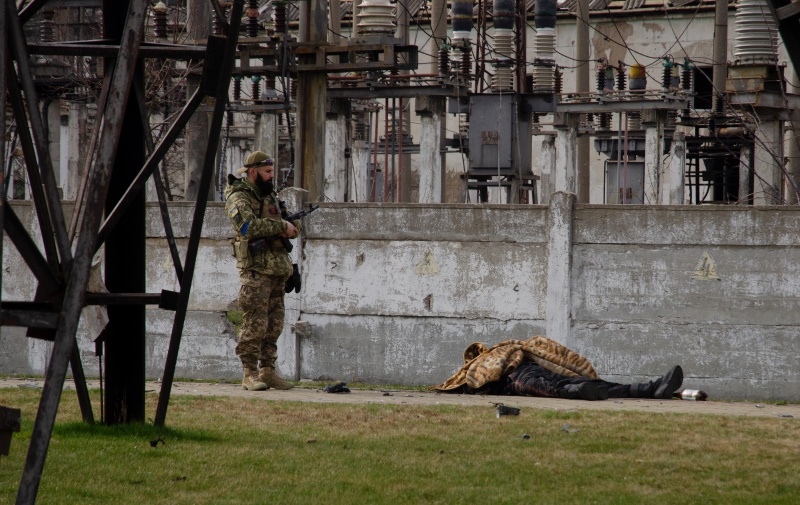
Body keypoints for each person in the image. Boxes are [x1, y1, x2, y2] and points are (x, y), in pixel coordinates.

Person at [224, 151, 299, 391]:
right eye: (267, 172)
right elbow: (246, 226)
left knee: (274, 324)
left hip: (277, 269)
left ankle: (268, 370)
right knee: (254, 323)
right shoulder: (239, 196)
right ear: (253, 171)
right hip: (256, 270)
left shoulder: (270, 196)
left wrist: (289, 229)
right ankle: (249, 373)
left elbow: (291, 225)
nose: (271, 176)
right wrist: (280, 227)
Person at [503, 362, 684, 401]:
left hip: (526, 366)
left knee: (588, 382)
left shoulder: (486, 356)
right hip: (511, 375)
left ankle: (651, 389)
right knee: (537, 385)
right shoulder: (475, 368)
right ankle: (575, 390)